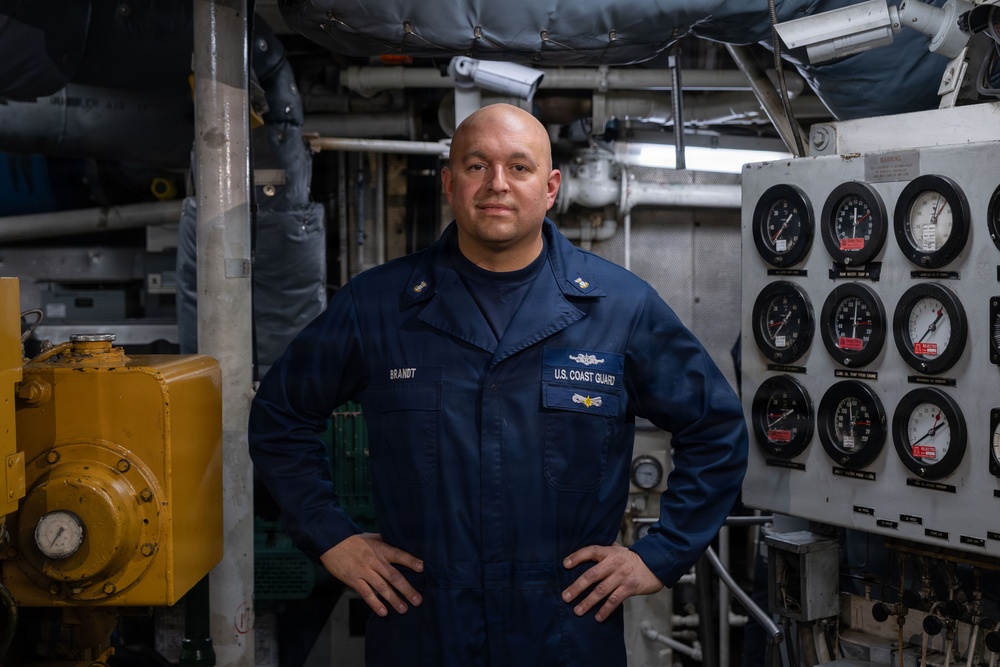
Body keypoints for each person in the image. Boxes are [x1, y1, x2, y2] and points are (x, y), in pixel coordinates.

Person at [248, 103, 748, 667]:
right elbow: (279, 417)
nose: (497, 185)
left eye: (520, 167)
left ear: (552, 185)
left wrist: (660, 555)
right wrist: (331, 536)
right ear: (448, 182)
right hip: (423, 627)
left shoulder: (620, 308)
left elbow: (717, 431)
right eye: (477, 165)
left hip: (565, 629)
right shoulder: (378, 306)